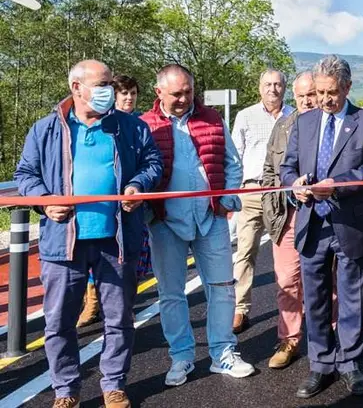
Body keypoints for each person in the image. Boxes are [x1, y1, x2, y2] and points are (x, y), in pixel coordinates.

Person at [14, 59, 163, 408]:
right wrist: (45, 201)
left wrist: (138, 185)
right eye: (101, 84)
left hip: (118, 239)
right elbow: (25, 174)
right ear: (77, 88)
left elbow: (152, 163)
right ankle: (65, 390)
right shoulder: (46, 129)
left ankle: (113, 384)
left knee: (119, 317)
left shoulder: (130, 127)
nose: (108, 91)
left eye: (110, 84)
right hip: (63, 242)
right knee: (60, 321)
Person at [140, 64, 255, 387]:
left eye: (188, 91)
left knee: (221, 287)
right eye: (176, 93)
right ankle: (181, 356)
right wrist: (149, 212)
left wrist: (227, 202)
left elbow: (233, 164)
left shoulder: (213, 120)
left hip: (210, 219)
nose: (183, 98)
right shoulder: (144, 125)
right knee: (171, 293)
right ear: (158, 91)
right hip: (165, 223)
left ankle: (223, 353)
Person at [280, 55, 363, 398]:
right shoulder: (304, 122)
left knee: (353, 297)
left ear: (348, 87)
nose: (325, 100)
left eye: (332, 93)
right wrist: (294, 183)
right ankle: (321, 364)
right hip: (312, 223)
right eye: (321, 92)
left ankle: (352, 365)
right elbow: (288, 166)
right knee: (316, 298)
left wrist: (336, 184)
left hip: (351, 223)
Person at [77, 74, 152, 328]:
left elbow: (151, 162)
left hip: (131, 209)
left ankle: (124, 306)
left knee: (130, 262)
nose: (129, 98)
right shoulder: (100, 121)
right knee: (91, 261)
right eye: (124, 94)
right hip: (95, 211)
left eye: (133, 93)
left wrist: (139, 185)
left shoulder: (141, 123)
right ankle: (93, 302)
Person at [231, 69, 294, 333]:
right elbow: (235, 156)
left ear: (284, 87)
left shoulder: (295, 116)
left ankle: (291, 313)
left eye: (278, 84)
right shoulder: (245, 116)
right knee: (245, 252)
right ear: (259, 88)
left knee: (288, 257)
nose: (273, 89)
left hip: (284, 194)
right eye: (268, 84)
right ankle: (240, 309)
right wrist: (233, 195)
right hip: (252, 192)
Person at [261, 70, 318, 368]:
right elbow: (269, 172)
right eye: (301, 95)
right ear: (293, 97)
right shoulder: (283, 126)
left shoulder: (330, 124)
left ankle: (330, 336)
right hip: (288, 215)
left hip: (324, 215)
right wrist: (284, 197)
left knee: (328, 280)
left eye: (312, 94)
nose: (307, 101)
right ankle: (290, 339)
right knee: (287, 280)